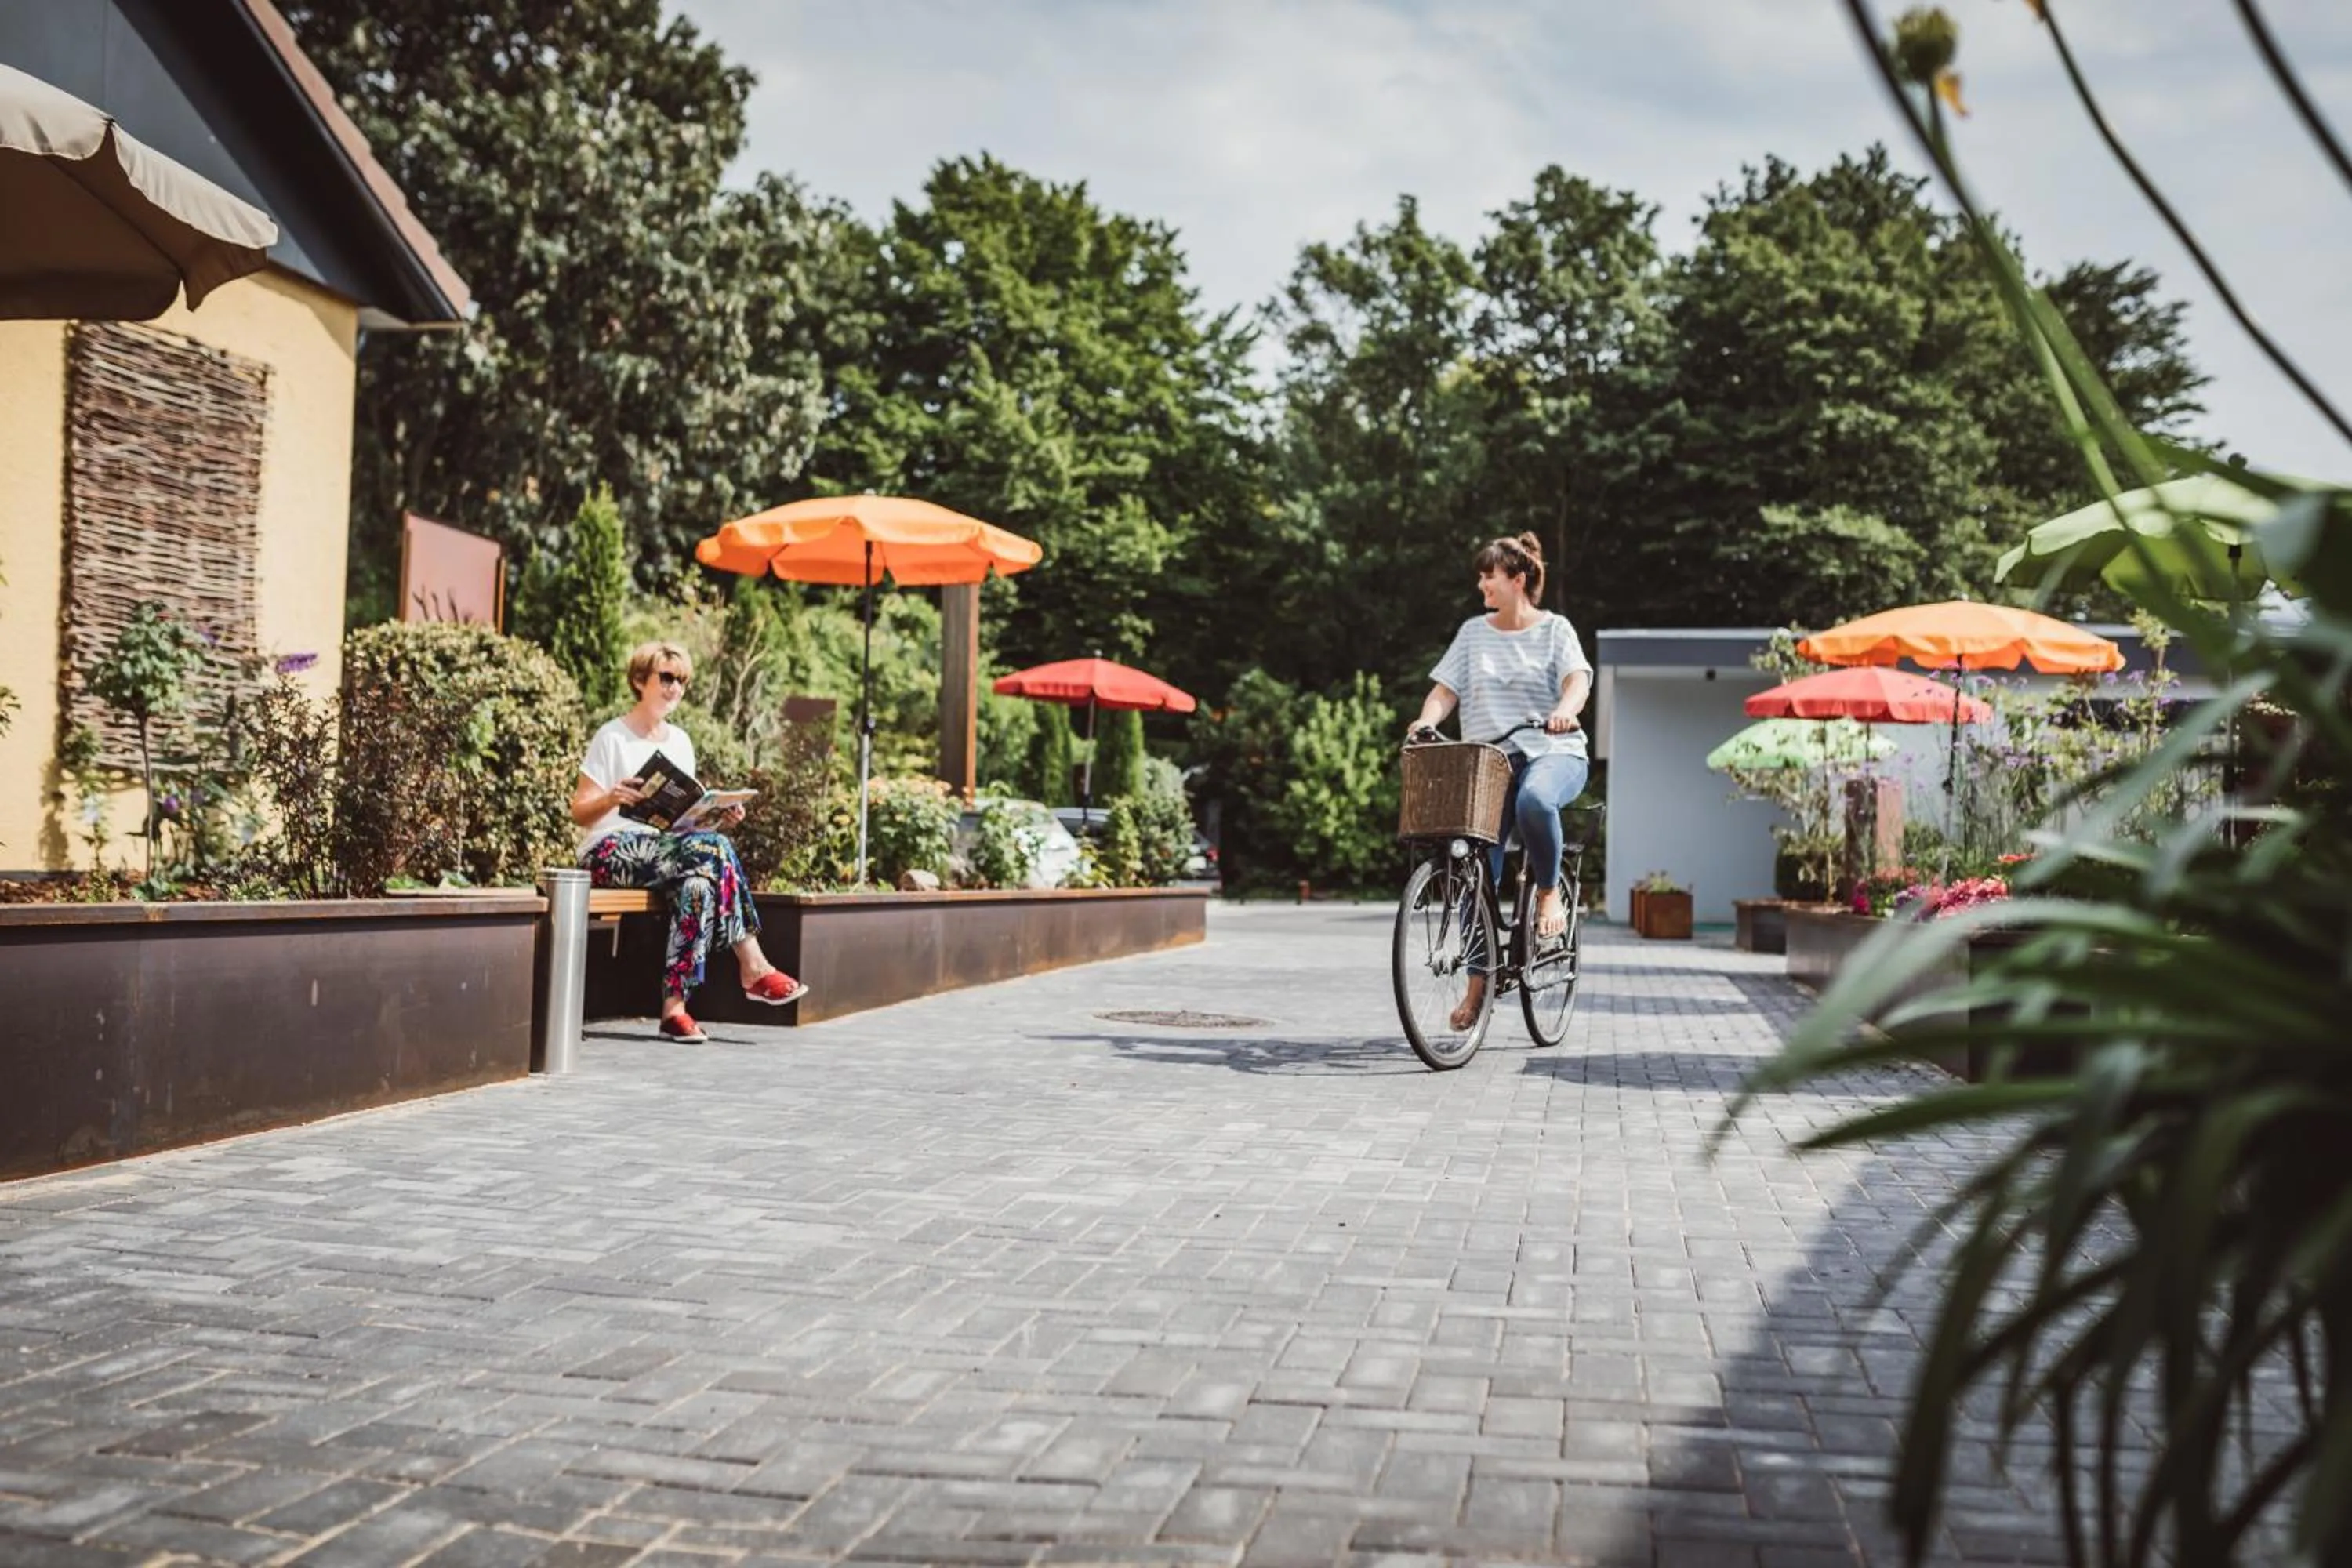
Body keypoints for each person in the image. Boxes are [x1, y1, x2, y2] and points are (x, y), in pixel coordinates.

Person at [571, 640, 808, 1042]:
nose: (675, 689)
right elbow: (579, 811)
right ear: (639, 680)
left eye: (682, 681)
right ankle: (753, 965)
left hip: (664, 850)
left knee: (698, 885)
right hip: (609, 850)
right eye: (666, 678)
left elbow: (683, 825)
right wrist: (611, 797)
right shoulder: (612, 737)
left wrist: (717, 817)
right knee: (714, 852)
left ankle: (674, 1010)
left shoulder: (680, 742)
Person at [1406, 533, 1592, 1029]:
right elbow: (1444, 692)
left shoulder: (1556, 630)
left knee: (1535, 800)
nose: (1481, 584)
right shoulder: (1473, 634)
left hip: (1554, 752)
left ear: (1518, 579)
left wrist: (1565, 710)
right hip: (1491, 764)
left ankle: (1548, 891)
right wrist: (1426, 720)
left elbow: (1577, 680)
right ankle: (1478, 989)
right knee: (1472, 866)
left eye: (1489, 576)